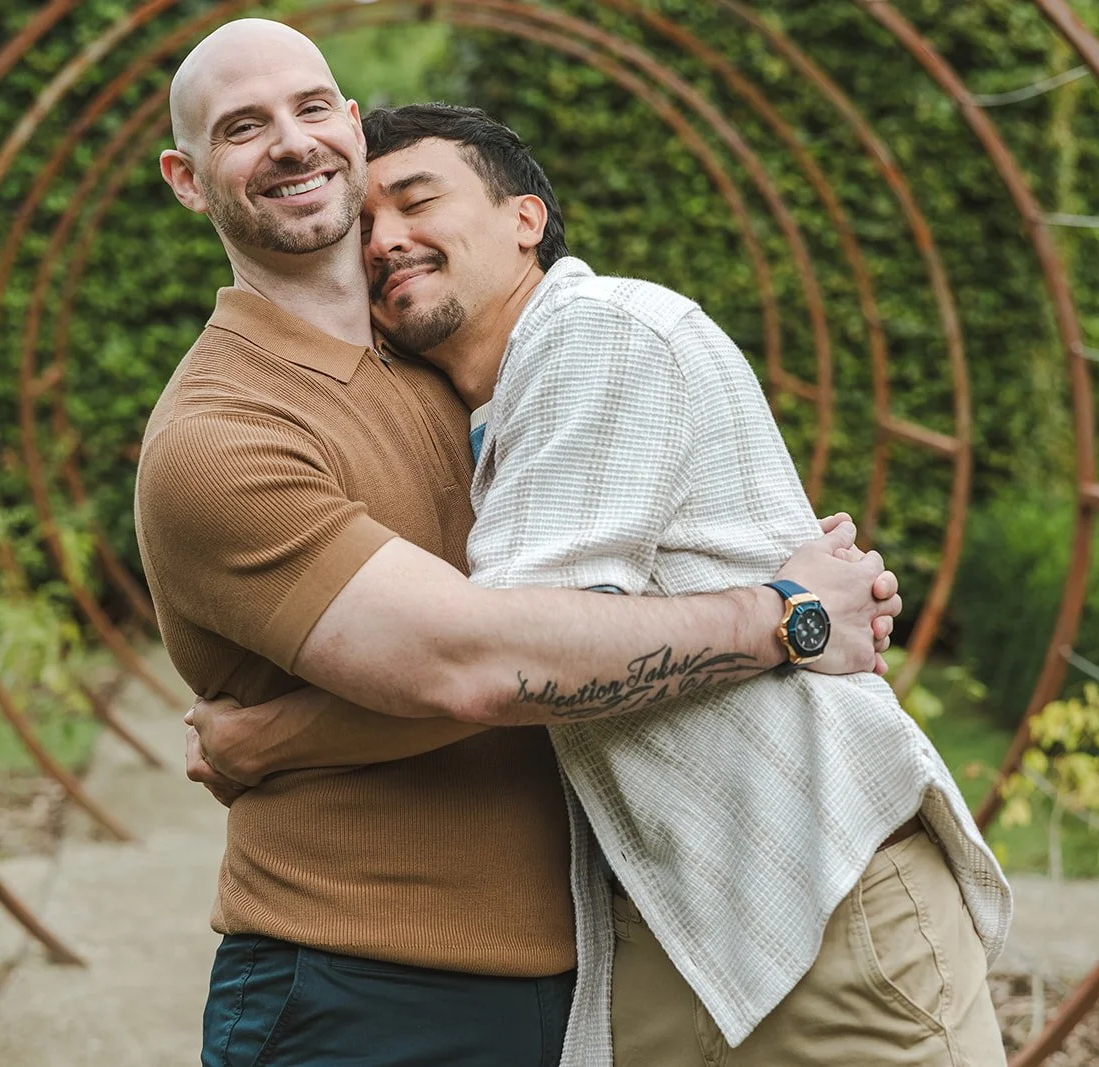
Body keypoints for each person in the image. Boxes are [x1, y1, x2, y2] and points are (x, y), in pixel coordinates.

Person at [138, 20, 900, 1067]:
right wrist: (782, 615)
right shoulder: (222, 436)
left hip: (589, 972)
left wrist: (278, 735)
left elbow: (601, 583)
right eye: (241, 127)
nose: (291, 142)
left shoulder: (453, 360)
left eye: (311, 108)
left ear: (351, 127)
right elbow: (474, 664)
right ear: (187, 180)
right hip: (359, 984)